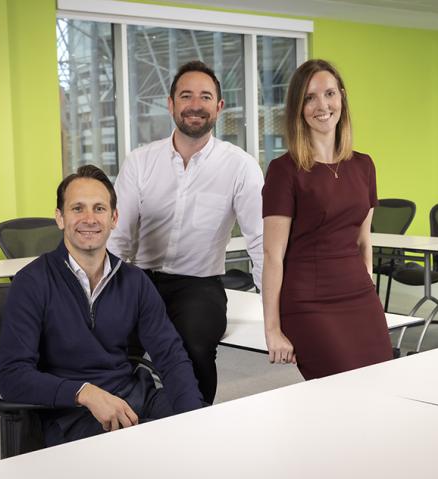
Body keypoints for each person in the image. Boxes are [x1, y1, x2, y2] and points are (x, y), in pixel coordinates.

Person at [0, 165, 203, 447]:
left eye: (99, 209)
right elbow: (12, 376)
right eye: (77, 209)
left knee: (208, 432)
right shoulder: (31, 282)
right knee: (158, 448)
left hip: (134, 396)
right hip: (70, 414)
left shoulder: (135, 281)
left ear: (114, 218)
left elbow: (170, 355)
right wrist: (85, 393)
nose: (89, 219)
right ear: (59, 218)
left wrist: (196, 418)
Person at [108, 61, 264, 404]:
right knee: (112, 342)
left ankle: (196, 422)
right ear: (171, 103)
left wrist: (275, 309)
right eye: (186, 95)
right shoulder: (140, 161)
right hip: (139, 278)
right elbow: (118, 235)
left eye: (205, 96)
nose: (195, 104)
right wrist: (108, 292)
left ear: (219, 107)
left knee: (194, 346)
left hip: (198, 284)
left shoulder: (241, 166)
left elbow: (259, 240)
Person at [261, 59, 392, 380]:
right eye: (310, 97)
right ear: (298, 108)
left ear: (342, 98)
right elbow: (272, 255)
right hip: (309, 301)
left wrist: (369, 287)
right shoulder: (284, 170)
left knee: (383, 383)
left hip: (359, 296)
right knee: (342, 387)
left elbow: (363, 241)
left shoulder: (364, 166)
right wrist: (273, 328)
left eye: (329, 93)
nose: (322, 105)